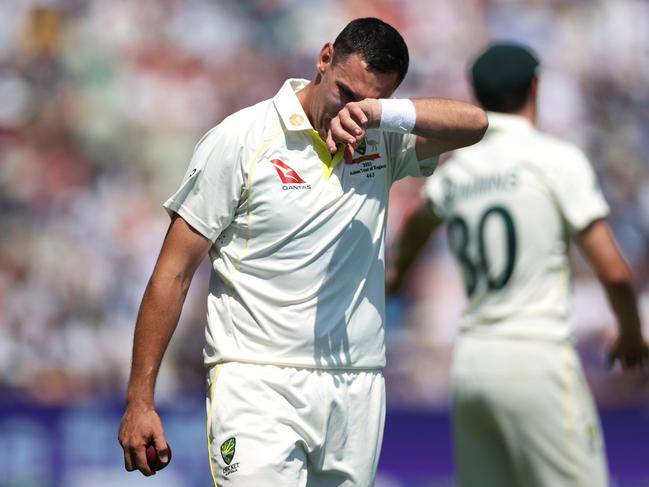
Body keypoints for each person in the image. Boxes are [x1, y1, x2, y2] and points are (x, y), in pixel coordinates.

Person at [117, 17, 488, 486]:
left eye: (372, 100)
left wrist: (378, 116)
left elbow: (475, 124)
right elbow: (172, 273)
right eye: (346, 93)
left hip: (356, 382)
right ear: (324, 58)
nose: (350, 109)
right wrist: (140, 399)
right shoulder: (241, 138)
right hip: (256, 380)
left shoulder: (380, 136)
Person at [387, 42, 649, 487]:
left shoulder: (454, 173)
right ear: (535, 86)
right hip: (537, 357)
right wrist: (629, 335)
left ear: (475, 94)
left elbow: (400, 261)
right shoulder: (555, 160)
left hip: (471, 365)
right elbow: (615, 272)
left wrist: (391, 285)